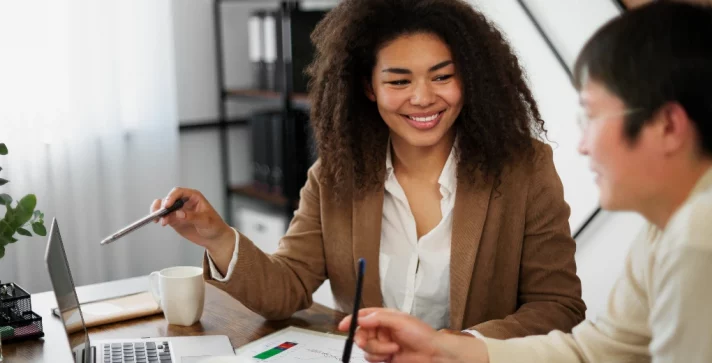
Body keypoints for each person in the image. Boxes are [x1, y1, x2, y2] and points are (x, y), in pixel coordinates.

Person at [339, 2, 712, 362]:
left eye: (592, 117)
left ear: (668, 125)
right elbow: (598, 350)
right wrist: (439, 348)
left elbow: (562, 311)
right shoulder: (678, 223)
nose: (582, 145)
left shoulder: (707, 238)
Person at [151, 0, 587, 339]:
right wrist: (217, 236)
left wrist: (458, 347)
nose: (422, 98)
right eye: (399, 81)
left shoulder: (524, 169)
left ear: (469, 79)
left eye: (441, 77)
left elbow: (557, 304)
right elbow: (286, 289)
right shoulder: (335, 176)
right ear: (368, 88)